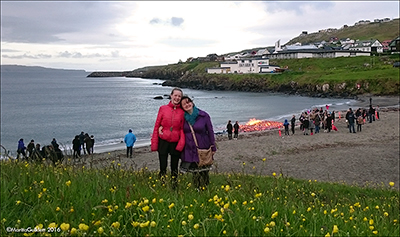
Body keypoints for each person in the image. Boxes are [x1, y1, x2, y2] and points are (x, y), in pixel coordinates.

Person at [179, 95, 216, 190]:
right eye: (184, 104)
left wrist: (213, 146)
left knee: (204, 170)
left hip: (203, 146)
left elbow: (210, 131)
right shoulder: (182, 118)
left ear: (192, 102)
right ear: (182, 107)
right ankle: (197, 189)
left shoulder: (204, 115)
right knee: (194, 171)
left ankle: (205, 190)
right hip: (189, 148)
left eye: (188, 102)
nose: (187, 105)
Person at [151, 88, 185, 186]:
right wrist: (154, 143)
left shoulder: (182, 112)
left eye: (179, 96)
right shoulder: (163, 108)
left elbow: (183, 129)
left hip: (175, 141)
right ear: (171, 96)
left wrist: (181, 143)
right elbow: (157, 125)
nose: (177, 98)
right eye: (175, 95)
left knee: (174, 167)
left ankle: (174, 185)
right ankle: (162, 184)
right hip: (163, 140)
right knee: (163, 166)